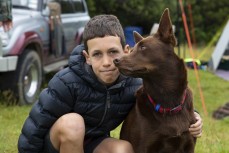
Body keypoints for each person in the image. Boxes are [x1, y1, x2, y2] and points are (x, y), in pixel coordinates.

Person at [18, 14, 203, 153]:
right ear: (87, 57)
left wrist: (193, 115)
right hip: (56, 145)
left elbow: (168, 95)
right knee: (73, 124)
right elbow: (35, 127)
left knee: (123, 149)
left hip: (93, 143)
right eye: (97, 54)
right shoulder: (66, 82)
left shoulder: (133, 84)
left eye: (113, 52)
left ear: (126, 51)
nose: (106, 62)